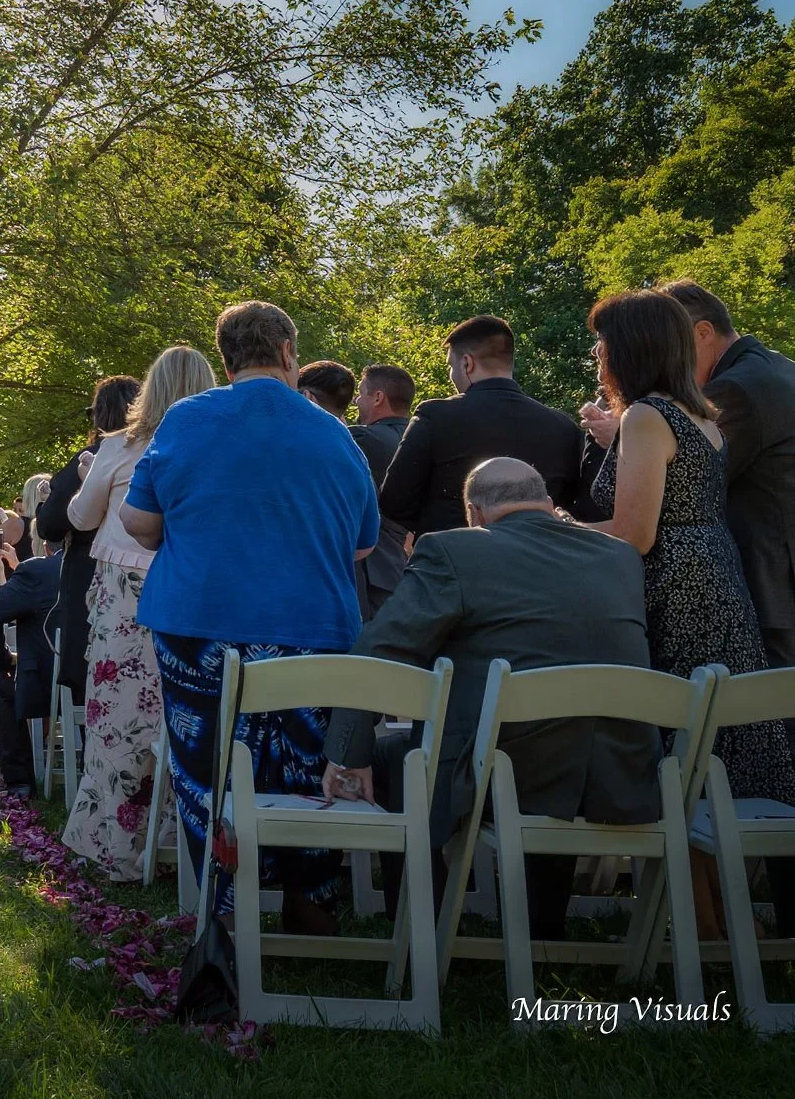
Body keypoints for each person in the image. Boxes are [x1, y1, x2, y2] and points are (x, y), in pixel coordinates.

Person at [119, 301, 378, 934]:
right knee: (306, 762)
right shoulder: (334, 433)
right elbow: (363, 543)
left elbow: (140, 521)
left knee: (205, 761)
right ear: (290, 352)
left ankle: (225, 905)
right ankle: (309, 897)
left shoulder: (185, 419)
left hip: (197, 619)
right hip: (311, 623)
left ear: (227, 356)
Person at [322, 459, 659, 940]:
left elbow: (381, 650)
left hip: (504, 771)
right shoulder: (620, 557)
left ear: (475, 514)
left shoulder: (454, 551)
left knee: (396, 756)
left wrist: (348, 753)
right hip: (616, 771)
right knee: (558, 738)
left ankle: (421, 930)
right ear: (548, 503)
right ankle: (542, 928)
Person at [583, 288, 795, 935]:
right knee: (706, 758)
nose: (596, 352)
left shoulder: (649, 416)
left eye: (604, 339)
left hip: (678, 593)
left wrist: (552, 527)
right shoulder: (696, 411)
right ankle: (720, 927)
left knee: (683, 756)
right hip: (715, 581)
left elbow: (634, 534)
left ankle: (708, 933)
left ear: (633, 347)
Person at [62, 344, 215, 880]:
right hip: (191, 584)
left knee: (119, 719)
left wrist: (89, 476)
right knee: (183, 713)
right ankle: (178, 843)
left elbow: (80, 518)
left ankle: (115, 845)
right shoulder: (212, 443)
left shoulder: (121, 444)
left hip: (125, 589)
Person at [659, 280, 795, 666]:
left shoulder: (733, 388)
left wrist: (627, 439)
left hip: (771, 583)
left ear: (703, 332)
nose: (669, 365)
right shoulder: (779, 367)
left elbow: (691, 484)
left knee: (774, 712)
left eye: (672, 348)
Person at [379, 316, 581, 537]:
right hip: (542, 560)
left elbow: (394, 502)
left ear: (467, 363)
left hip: (453, 560)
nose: (451, 375)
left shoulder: (435, 416)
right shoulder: (563, 427)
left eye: (451, 365)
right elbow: (573, 508)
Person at [33, 375, 141, 717]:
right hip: (141, 578)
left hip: (89, 581)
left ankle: (89, 758)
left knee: (93, 676)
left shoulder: (95, 457)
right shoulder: (155, 454)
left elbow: (49, 525)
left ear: (101, 416)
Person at [0, 541, 63, 796]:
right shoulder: (111, 564)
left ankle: (20, 782)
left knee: (0, 682)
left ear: (46, 547)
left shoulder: (40, 571)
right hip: (101, 680)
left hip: (49, 683)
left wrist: (2, 661)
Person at [353, 364, 415, 615]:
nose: (356, 400)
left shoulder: (363, 440)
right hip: (409, 567)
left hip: (371, 571)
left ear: (378, 397)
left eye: (361, 393)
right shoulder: (421, 438)